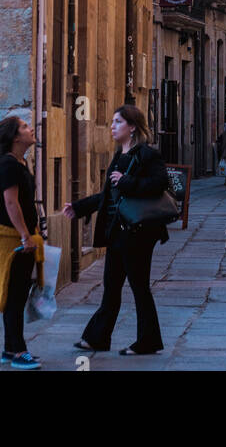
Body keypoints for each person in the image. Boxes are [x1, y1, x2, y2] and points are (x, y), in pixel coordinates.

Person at [64, 105, 167, 356]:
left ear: (132, 127)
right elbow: (109, 194)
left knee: (139, 286)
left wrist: (127, 181)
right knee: (111, 285)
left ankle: (148, 340)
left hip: (138, 232)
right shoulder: (118, 155)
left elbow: (160, 184)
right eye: (111, 121)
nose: (112, 126)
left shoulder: (146, 155)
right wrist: (79, 208)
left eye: (118, 122)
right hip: (117, 232)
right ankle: (98, 337)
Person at [0, 114, 44, 371]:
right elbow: (11, 203)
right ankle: (19, 352)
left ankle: (10, 348)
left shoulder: (20, 163)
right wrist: (24, 235)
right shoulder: (8, 165)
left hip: (21, 235)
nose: (30, 128)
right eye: (24, 127)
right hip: (12, 237)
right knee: (15, 295)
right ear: (15, 138)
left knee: (18, 294)